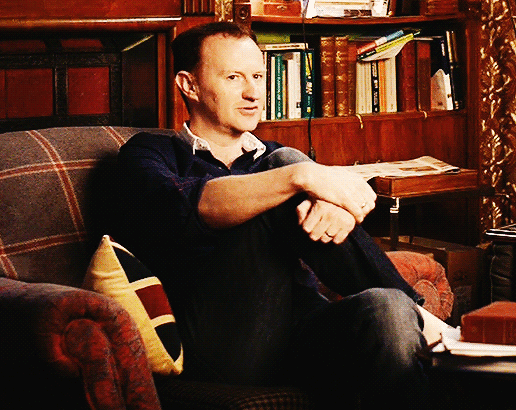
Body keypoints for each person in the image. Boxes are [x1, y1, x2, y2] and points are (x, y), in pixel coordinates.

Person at [113, 21, 430, 409]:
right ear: (189, 85)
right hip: (222, 344)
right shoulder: (148, 154)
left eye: (258, 76)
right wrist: (302, 177)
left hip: (300, 336)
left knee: (389, 310)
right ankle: (434, 327)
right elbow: (187, 208)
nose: (252, 93)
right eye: (233, 77)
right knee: (284, 167)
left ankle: (418, 315)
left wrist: (337, 209)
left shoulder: (276, 157)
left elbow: (337, 210)